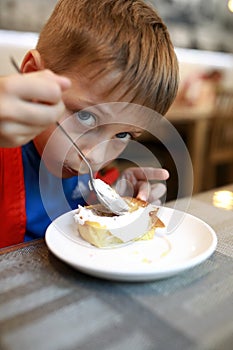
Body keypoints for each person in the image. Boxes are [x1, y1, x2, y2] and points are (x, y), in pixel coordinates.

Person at [0, 0, 179, 248]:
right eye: (85, 117)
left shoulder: (86, 170)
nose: (94, 155)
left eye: (123, 134)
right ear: (33, 75)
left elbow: (77, 213)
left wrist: (115, 198)